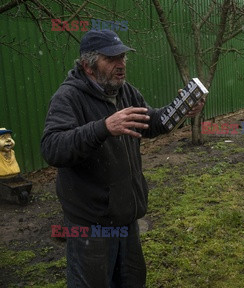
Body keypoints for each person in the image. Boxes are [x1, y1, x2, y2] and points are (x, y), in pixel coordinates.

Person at [40, 29, 204, 287]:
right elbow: (52, 148)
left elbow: (150, 123)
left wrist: (182, 109)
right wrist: (103, 127)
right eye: (112, 58)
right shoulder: (68, 97)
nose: (121, 65)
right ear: (88, 66)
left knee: (131, 281)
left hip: (125, 214)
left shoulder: (125, 92)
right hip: (90, 224)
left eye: (123, 58)